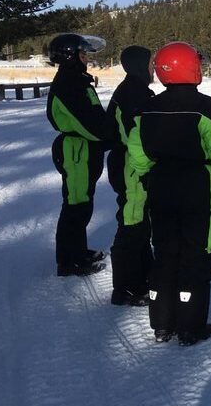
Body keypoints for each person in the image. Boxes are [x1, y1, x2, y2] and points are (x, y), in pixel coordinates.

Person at [128, 42, 211, 346]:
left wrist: (146, 175)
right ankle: (190, 326)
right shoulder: (207, 108)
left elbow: (136, 150)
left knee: (165, 250)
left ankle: (162, 324)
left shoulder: (146, 109)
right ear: (192, 69)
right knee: (196, 251)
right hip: (197, 185)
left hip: (160, 182)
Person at [46, 33, 110, 277]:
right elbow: (88, 123)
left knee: (84, 201)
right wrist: (110, 137)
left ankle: (78, 250)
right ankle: (68, 260)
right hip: (77, 151)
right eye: (83, 54)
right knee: (75, 205)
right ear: (70, 56)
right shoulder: (69, 84)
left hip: (84, 149)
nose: (87, 59)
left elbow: (94, 116)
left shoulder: (78, 80)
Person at [105, 45, 155, 305]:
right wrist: (146, 169)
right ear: (139, 66)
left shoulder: (134, 89)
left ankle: (144, 277)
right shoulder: (132, 94)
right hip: (131, 167)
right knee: (131, 225)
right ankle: (127, 288)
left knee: (139, 224)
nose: (153, 68)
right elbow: (134, 137)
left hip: (129, 164)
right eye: (150, 63)